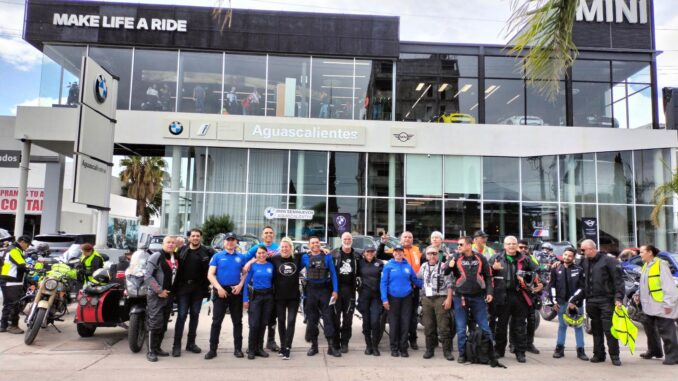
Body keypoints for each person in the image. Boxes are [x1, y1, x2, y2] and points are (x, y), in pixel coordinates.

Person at [570, 239, 625, 366]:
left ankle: (615, 356)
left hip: (607, 301)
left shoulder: (609, 261)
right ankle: (599, 354)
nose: (581, 252)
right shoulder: (584, 262)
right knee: (596, 330)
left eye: (583, 250)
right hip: (591, 301)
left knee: (610, 330)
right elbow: (582, 283)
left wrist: (618, 298)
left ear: (591, 249)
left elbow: (618, 281)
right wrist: (574, 300)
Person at [489, 235, 539, 363]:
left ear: (517, 245)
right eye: (509, 244)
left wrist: (539, 284)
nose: (511, 246)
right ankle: (499, 350)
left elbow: (537, 273)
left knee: (520, 326)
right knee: (501, 326)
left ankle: (520, 352)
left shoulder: (526, 259)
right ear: (504, 246)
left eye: (514, 244)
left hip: (520, 296)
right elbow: (486, 275)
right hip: (501, 296)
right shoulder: (496, 258)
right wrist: (493, 269)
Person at [205, 232, 252, 360]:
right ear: (224, 242)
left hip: (236, 291)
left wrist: (241, 285)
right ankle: (212, 349)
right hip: (221, 291)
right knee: (216, 322)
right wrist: (219, 288)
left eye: (233, 240)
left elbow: (245, 273)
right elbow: (210, 274)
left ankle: (238, 349)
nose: (230, 242)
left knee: (237, 322)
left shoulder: (241, 257)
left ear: (236, 242)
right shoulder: (217, 256)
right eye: (228, 240)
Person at [448, 236, 494, 364]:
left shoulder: (481, 258)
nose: (458, 247)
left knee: (484, 326)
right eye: (458, 244)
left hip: (478, 297)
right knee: (461, 328)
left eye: (461, 244)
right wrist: (450, 265)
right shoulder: (456, 257)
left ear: (469, 245)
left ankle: (490, 353)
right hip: (460, 297)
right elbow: (446, 272)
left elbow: (488, 276)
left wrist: (490, 292)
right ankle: (462, 354)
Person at [172, 228, 214, 357]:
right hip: (183, 288)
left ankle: (191, 343)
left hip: (198, 289)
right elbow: (171, 258)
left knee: (195, 315)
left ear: (200, 238)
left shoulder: (207, 251)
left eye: (198, 236)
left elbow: (217, 263)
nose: (195, 238)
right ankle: (176, 345)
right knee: (182, 316)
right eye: (193, 236)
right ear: (189, 238)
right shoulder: (181, 250)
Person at [379, 231, 423, 350]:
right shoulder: (392, 258)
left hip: (412, 290)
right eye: (405, 237)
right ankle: (395, 344)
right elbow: (380, 254)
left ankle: (412, 340)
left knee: (412, 317)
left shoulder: (418, 251)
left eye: (410, 237)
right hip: (395, 294)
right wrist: (382, 243)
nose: (407, 239)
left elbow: (427, 263)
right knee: (395, 320)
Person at [301, 236, 341, 357]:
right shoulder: (304, 257)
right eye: (312, 243)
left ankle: (331, 347)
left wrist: (335, 290)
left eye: (317, 242)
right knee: (312, 320)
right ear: (309, 245)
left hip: (325, 290)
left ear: (320, 244)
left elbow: (333, 273)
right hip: (311, 290)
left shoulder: (327, 256)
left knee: (328, 318)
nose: (315, 244)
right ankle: (314, 346)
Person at [638, 244, 678, 365]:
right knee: (649, 329)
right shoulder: (646, 265)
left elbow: (669, 286)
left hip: (662, 305)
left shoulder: (661, 265)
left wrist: (668, 304)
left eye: (642, 252)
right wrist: (637, 294)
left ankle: (673, 357)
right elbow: (644, 284)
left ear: (650, 252)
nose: (640, 254)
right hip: (649, 305)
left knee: (667, 331)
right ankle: (654, 351)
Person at [549, 247, 588, 361]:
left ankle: (581, 350)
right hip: (561, 303)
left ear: (573, 257)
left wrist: (573, 301)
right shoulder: (556, 268)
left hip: (576, 304)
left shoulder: (579, 269)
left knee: (578, 327)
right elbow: (551, 286)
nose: (567, 257)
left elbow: (582, 288)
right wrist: (554, 301)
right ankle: (559, 349)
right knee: (562, 326)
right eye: (565, 255)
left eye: (570, 256)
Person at [143, 236, 178, 362]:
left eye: (173, 243)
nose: (170, 244)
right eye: (168, 242)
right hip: (156, 295)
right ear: (163, 244)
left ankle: (157, 348)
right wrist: (159, 290)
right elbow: (147, 276)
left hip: (169, 296)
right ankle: (151, 351)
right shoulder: (156, 256)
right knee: (155, 323)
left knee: (163, 324)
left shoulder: (175, 257)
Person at [247, 226, 280, 352]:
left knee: (271, 318)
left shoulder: (278, 248)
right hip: (258, 289)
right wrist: (248, 263)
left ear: (274, 234)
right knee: (256, 322)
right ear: (262, 235)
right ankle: (253, 346)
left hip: (273, 289)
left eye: (271, 233)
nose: (268, 235)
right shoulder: (257, 247)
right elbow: (246, 258)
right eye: (266, 233)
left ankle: (270, 341)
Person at [417, 246, 453, 360]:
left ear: (438, 255)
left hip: (440, 298)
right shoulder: (423, 266)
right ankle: (429, 350)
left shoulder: (443, 266)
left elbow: (450, 284)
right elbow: (419, 279)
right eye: (429, 254)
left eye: (434, 253)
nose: (432, 256)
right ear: (426, 255)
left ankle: (447, 352)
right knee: (428, 326)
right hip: (427, 299)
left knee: (443, 326)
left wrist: (449, 299)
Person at [270, 237, 301, 360]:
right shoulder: (274, 259)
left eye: (286, 247)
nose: (284, 249)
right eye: (282, 247)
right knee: (281, 321)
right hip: (279, 297)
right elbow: (259, 257)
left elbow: (312, 252)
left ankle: (287, 347)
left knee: (291, 321)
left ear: (291, 248)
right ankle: (283, 346)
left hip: (294, 296)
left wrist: (323, 249)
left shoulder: (297, 258)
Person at [243, 245, 275, 359]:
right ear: (256, 255)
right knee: (254, 324)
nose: (261, 255)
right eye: (259, 253)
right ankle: (251, 349)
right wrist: (245, 299)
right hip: (255, 297)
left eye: (263, 253)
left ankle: (259, 348)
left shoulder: (271, 265)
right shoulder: (252, 266)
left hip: (268, 297)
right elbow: (246, 283)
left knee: (263, 324)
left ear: (267, 254)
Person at [330, 232, 359, 353]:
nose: (347, 241)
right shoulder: (334, 254)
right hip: (336, 290)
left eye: (349, 239)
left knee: (348, 319)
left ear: (351, 240)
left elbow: (370, 260)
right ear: (341, 240)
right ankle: (336, 342)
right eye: (345, 239)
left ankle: (345, 343)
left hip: (350, 291)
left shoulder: (357, 255)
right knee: (335, 318)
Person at [515, 239, 543, 355]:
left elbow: (539, 272)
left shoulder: (531, 259)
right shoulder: (513, 258)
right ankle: (514, 344)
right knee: (515, 321)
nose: (523, 250)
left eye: (525, 248)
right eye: (520, 247)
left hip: (530, 293)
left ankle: (529, 344)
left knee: (532, 320)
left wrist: (540, 285)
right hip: (516, 294)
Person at [356, 244, 384, 356]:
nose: (370, 254)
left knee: (375, 321)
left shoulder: (380, 263)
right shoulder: (359, 263)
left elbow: (386, 278)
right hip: (364, 296)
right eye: (367, 252)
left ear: (375, 253)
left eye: (372, 252)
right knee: (366, 322)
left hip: (376, 297)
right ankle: (368, 345)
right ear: (363, 253)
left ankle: (375, 346)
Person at [0, 235, 31, 334]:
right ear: (22, 242)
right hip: (11, 281)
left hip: (8, 280)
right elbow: (22, 264)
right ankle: (12, 326)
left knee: (8, 304)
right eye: (28, 244)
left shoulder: (14, 249)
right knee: (14, 304)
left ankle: (4, 325)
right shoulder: (14, 250)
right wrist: (31, 267)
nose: (28, 246)